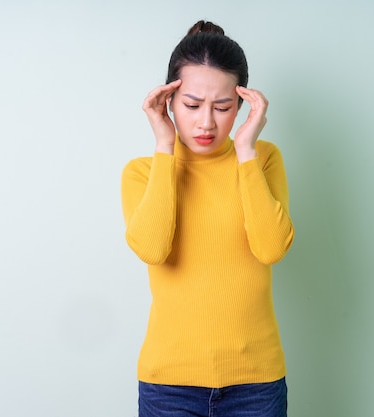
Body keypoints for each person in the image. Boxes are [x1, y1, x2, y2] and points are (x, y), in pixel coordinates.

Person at [121, 20, 295, 417]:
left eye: (222, 107)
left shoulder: (263, 159)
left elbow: (270, 248)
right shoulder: (143, 172)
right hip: (169, 385)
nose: (206, 123)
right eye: (192, 105)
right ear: (168, 101)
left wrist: (245, 152)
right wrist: (165, 145)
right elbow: (152, 248)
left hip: (256, 383)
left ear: (243, 105)